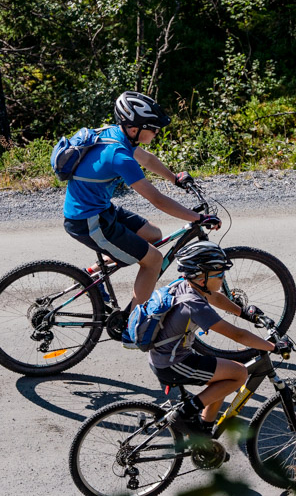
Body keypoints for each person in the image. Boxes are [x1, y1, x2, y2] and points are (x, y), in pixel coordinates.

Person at [62, 91, 219, 322]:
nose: (156, 131)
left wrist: (174, 178)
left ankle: (90, 275)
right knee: (153, 260)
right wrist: (197, 218)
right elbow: (157, 199)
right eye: (152, 127)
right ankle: (132, 325)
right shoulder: (119, 156)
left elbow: (147, 160)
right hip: (87, 221)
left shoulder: (117, 135)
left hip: (99, 210)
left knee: (154, 235)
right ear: (134, 128)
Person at [146, 242, 290, 434]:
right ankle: (184, 412)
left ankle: (204, 431)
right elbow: (237, 334)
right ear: (202, 275)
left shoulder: (187, 285)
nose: (223, 277)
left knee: (225, 370)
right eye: (219, 273)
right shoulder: (194, 305)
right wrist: (273, 346)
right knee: (239, 374)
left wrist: (244, 313)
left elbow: (216, 297)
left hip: (164, 356)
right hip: (174, 363)